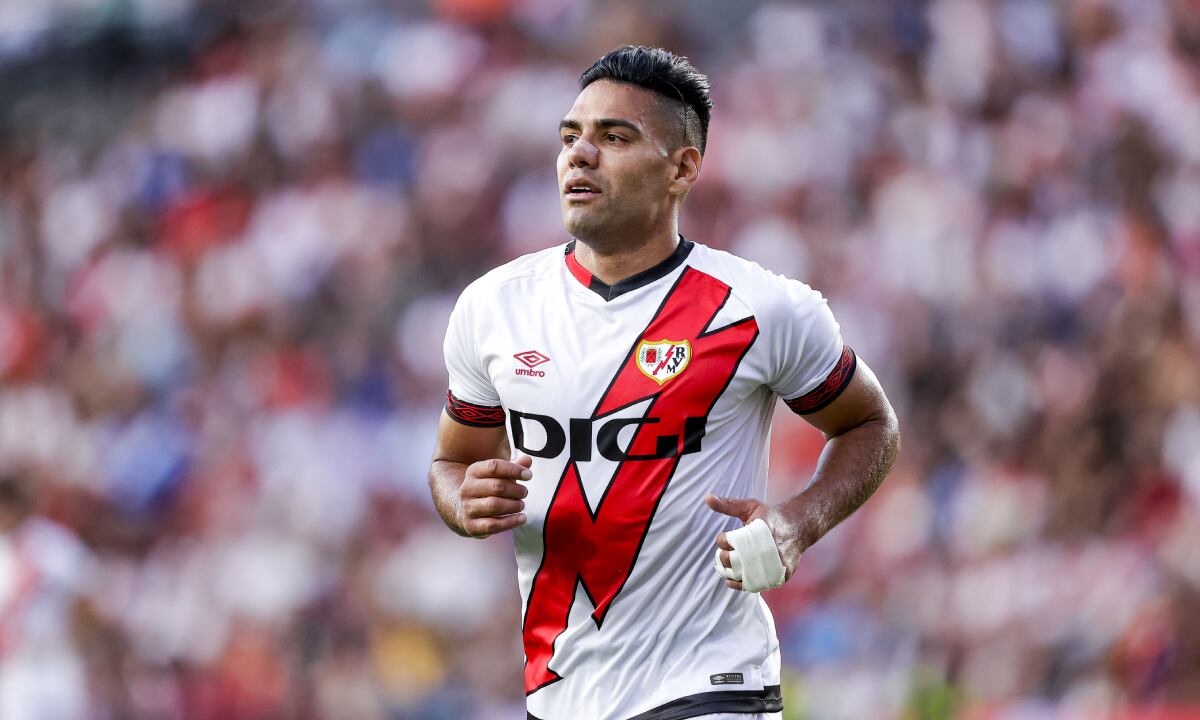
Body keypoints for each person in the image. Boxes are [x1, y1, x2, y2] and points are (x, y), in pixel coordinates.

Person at [428, 45, 900, 720]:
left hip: (710, 685)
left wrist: (798, 523)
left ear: (682, 169)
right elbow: (454, 461)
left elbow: (870, 423)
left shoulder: (761, 308)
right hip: (561, 694)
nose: (580, 154)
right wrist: (460, 498)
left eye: (614, 137)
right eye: (571, 137)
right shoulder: (492, 307)